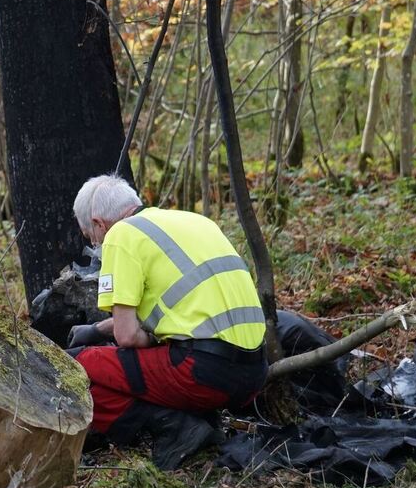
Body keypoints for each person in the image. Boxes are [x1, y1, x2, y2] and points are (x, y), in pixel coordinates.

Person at [66, 174, 268, 470]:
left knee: (76, 366)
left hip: (202, 373)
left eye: (91, 237)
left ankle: (175, 427)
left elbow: (127, 336)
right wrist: (97, 329)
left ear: (99, 224)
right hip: (254, 373)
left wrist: (144, 339)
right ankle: (196, 418)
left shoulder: (121, 235)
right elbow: (180, 310)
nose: (95, 245)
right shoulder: (194, 221)